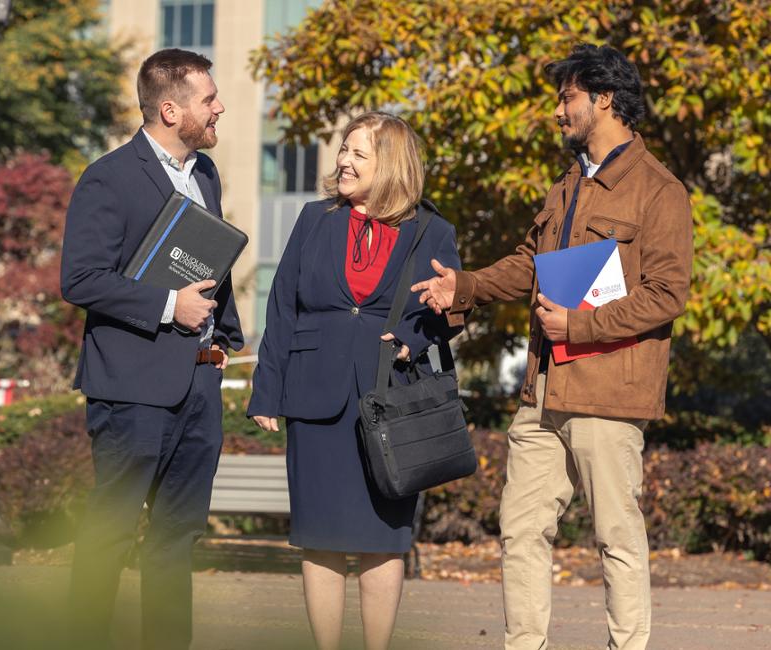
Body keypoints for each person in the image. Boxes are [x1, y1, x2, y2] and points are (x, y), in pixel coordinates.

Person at [412, 44, 693, 650]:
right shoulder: (567, 186)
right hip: (543, 390)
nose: (558, 111)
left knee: (616, 535)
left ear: (604, 99)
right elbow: (530, 267)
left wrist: (581, 328)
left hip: (609, 393)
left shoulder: (659, 191)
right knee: (519, 530)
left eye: (567, 97)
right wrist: (464, 286)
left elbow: (668, 294)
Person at [247, 112, 461, 650]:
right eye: (343, 150)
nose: (343, 161)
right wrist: (267, 389)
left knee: (382, 540)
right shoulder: (313, 219)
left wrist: (417, 336)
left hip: (388, 399)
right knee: (318, 539)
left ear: (389, 164)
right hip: (313, 394)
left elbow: (447, 306)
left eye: (358, 154)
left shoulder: (433, 230)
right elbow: (282, 307)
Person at [60, 48, 243, 650]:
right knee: (110, 534)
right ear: (171, 109)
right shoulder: (107, 177)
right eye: (209, 100)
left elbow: (208, 264)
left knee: (176, 538)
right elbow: (80, 278)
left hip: (197, 386)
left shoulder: (206, 175)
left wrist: (224, 341)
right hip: (131, 389)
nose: (219, 108)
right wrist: (169, 306)